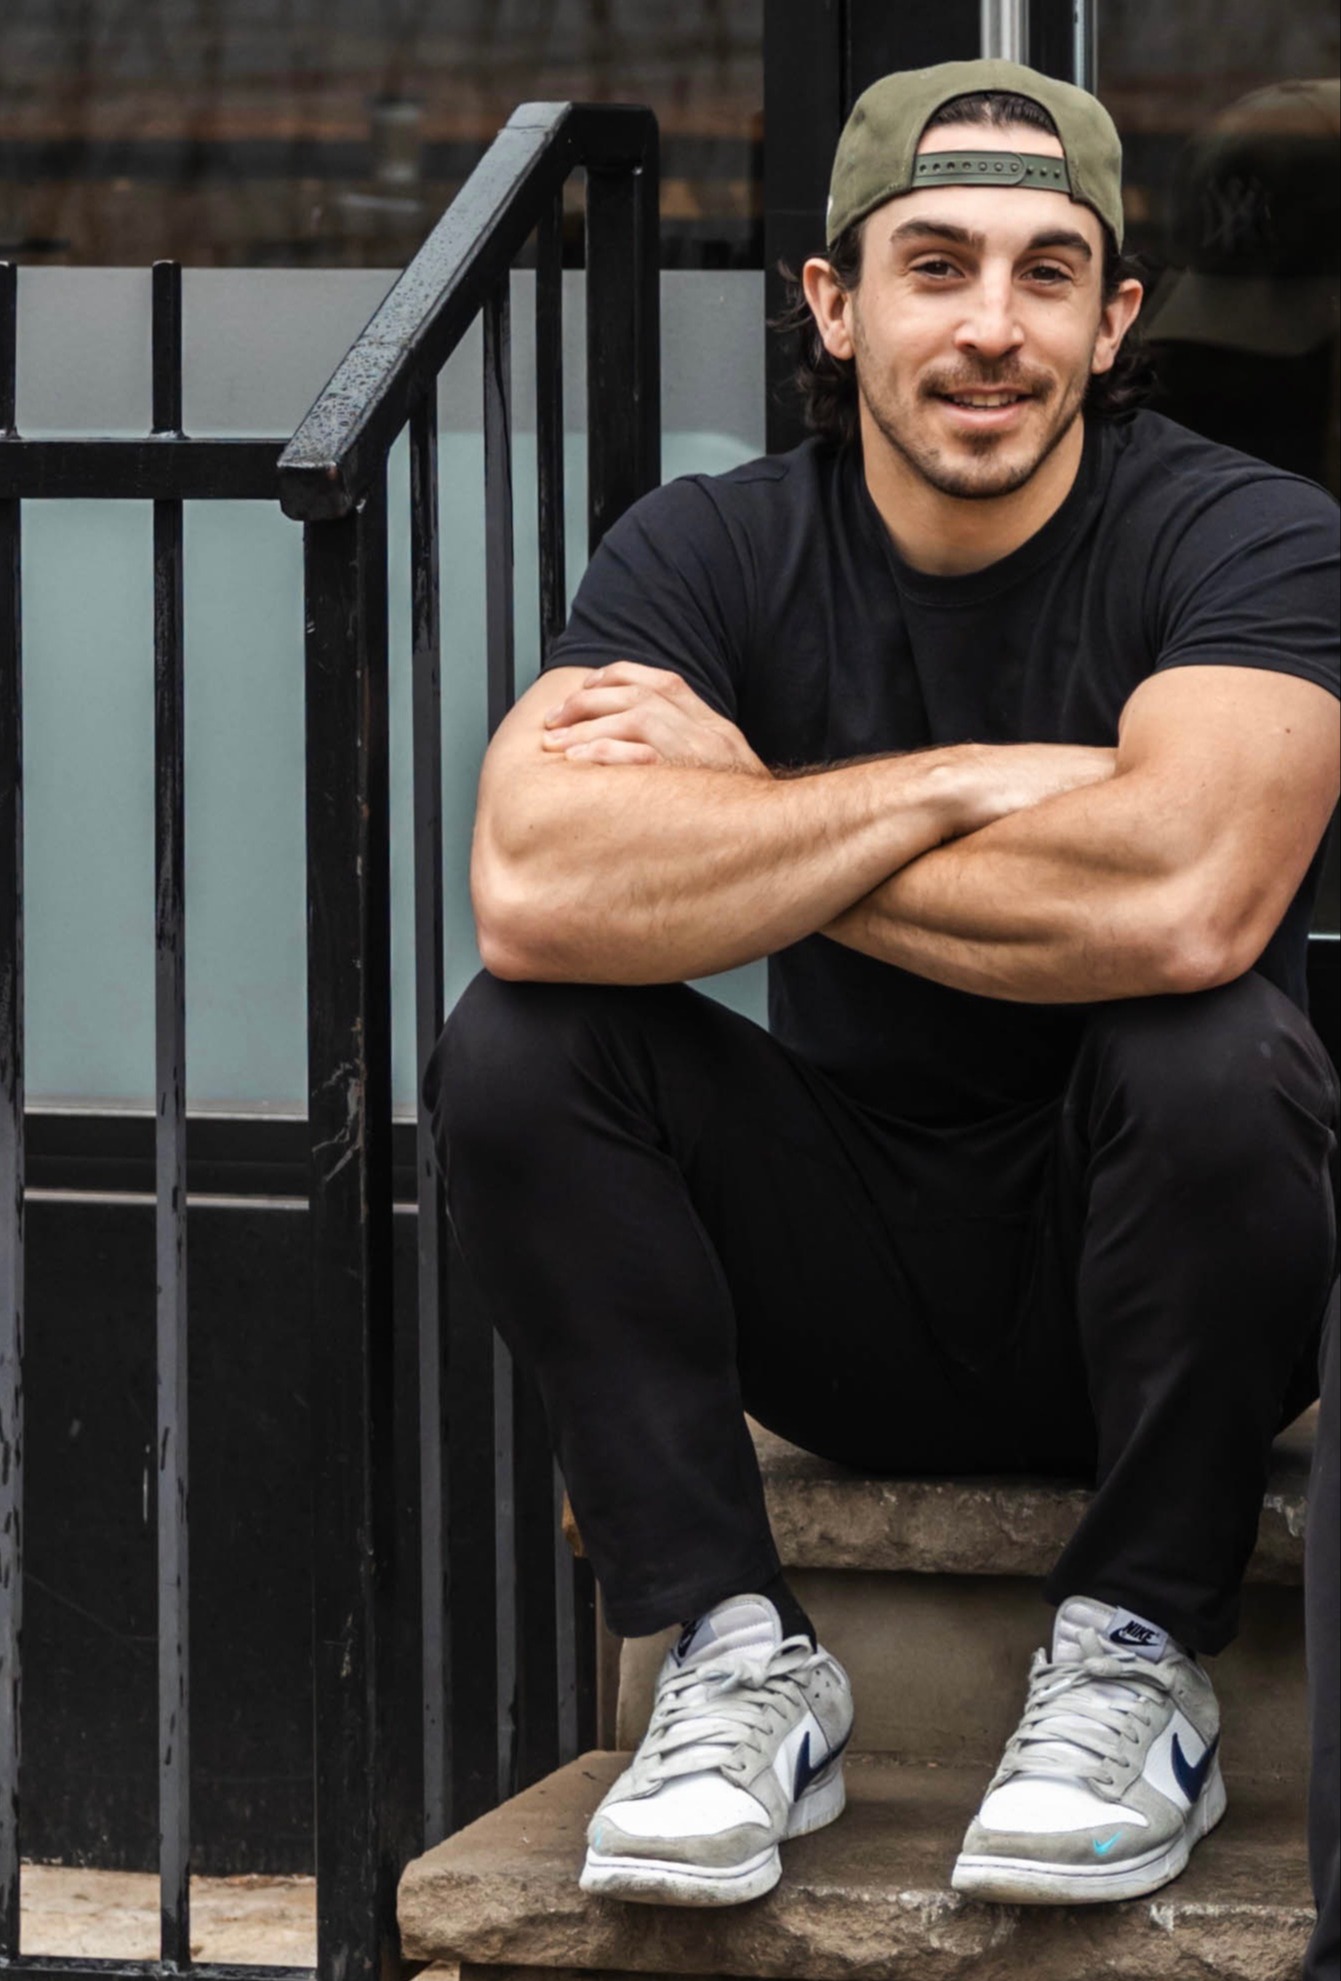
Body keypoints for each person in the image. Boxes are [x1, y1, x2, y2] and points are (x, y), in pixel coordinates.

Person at [426, 57, 1340, 1911]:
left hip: (1159, 1294)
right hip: (840, 1286)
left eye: (1043, 273)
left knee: (1215, 1045)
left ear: (1113, 321)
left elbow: (1184, 898)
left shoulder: (1246, 536)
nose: (989, 327)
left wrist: (752, 811)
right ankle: (732, 1652)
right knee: (519, 1041)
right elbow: (534, 883)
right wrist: (982, 786)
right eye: (933, 266)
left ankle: (1136, 1651)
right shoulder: (707, 547)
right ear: (834, 306)